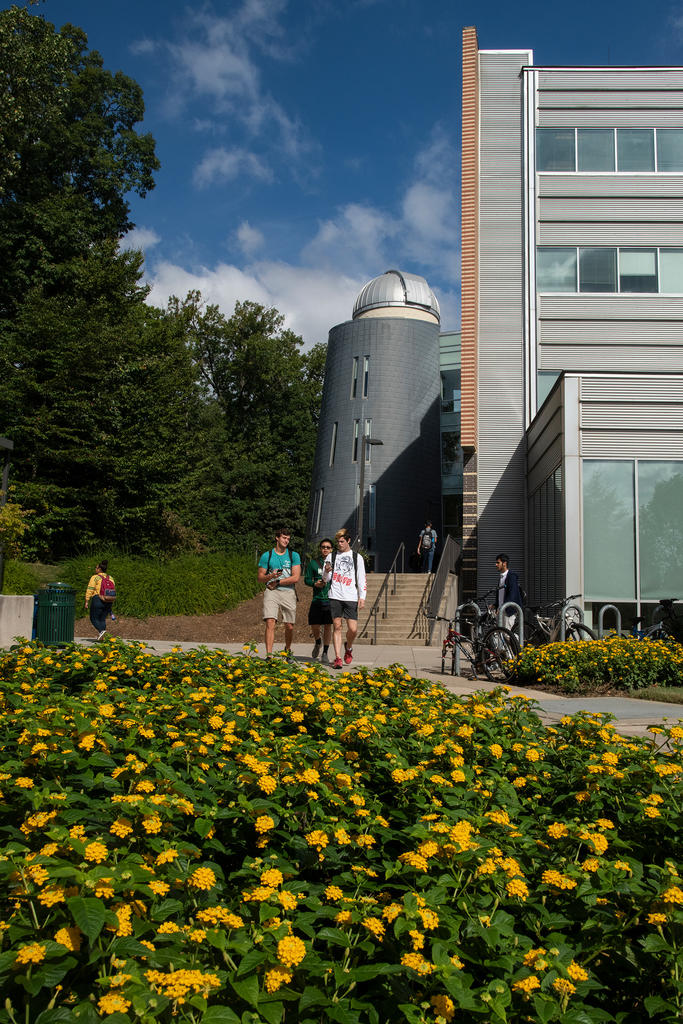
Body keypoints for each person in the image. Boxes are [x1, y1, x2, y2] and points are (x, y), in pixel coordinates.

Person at [322, 528, 367, 669]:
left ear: (348, 541)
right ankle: (337, 658)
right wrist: (326, 571)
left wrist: (362, 596)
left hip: (351, 596)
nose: (339, 544)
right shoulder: (331, 556)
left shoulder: (356, 557)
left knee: (353, 629)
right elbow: (325, 579)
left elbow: (361, 578)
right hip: (335, 595)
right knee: (337, 626)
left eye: (342, 541)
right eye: (338, 542)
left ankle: (349, 646)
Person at [257, 528, 301, 657]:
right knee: (270, 621)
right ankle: (269, 655)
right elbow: (260, 578)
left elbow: (296, 577)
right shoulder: (267, 555)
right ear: (277, 538)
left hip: (288, 591)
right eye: (284, 538)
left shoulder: (294, 555)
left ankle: (287, 650)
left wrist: (278, 581)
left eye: (288, 539)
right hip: (271, 591)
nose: (286, 540)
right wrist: (271, 576)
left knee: (289, 626)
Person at [304, 538, 334, 662]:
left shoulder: (335, 563)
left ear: (332, 549)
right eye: (323, 547)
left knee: (328, 626)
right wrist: (314, 584)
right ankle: (318, 641)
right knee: (314, 624)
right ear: (320, 548)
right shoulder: (313, 563)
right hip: (317, 598)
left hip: (330, 598)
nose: (325, 549)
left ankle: (325, 652)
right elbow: (306, 579)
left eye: (328, 547)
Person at [84, 560, 115, 641]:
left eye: (96, 567)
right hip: (109, 600)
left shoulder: (95, 577)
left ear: (99, 569)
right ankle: (103, 638)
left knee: (93, 618)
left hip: (98, 599)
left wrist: (87, 600)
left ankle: (102, 632)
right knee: (102, 619)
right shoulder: (110, 578)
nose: (95, 569)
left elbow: (90, 589)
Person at [494, 553, 523, 629]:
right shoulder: (501, 577)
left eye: (498, 562)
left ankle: (519, 641)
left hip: (508, 610)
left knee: (507, 634)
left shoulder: (511, 576)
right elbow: (501, 595)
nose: (496, 564)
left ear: (504, 563)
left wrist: (503, 607)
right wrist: (495, 605)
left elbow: (512, 595)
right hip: (501, 609)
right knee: (497, 633)